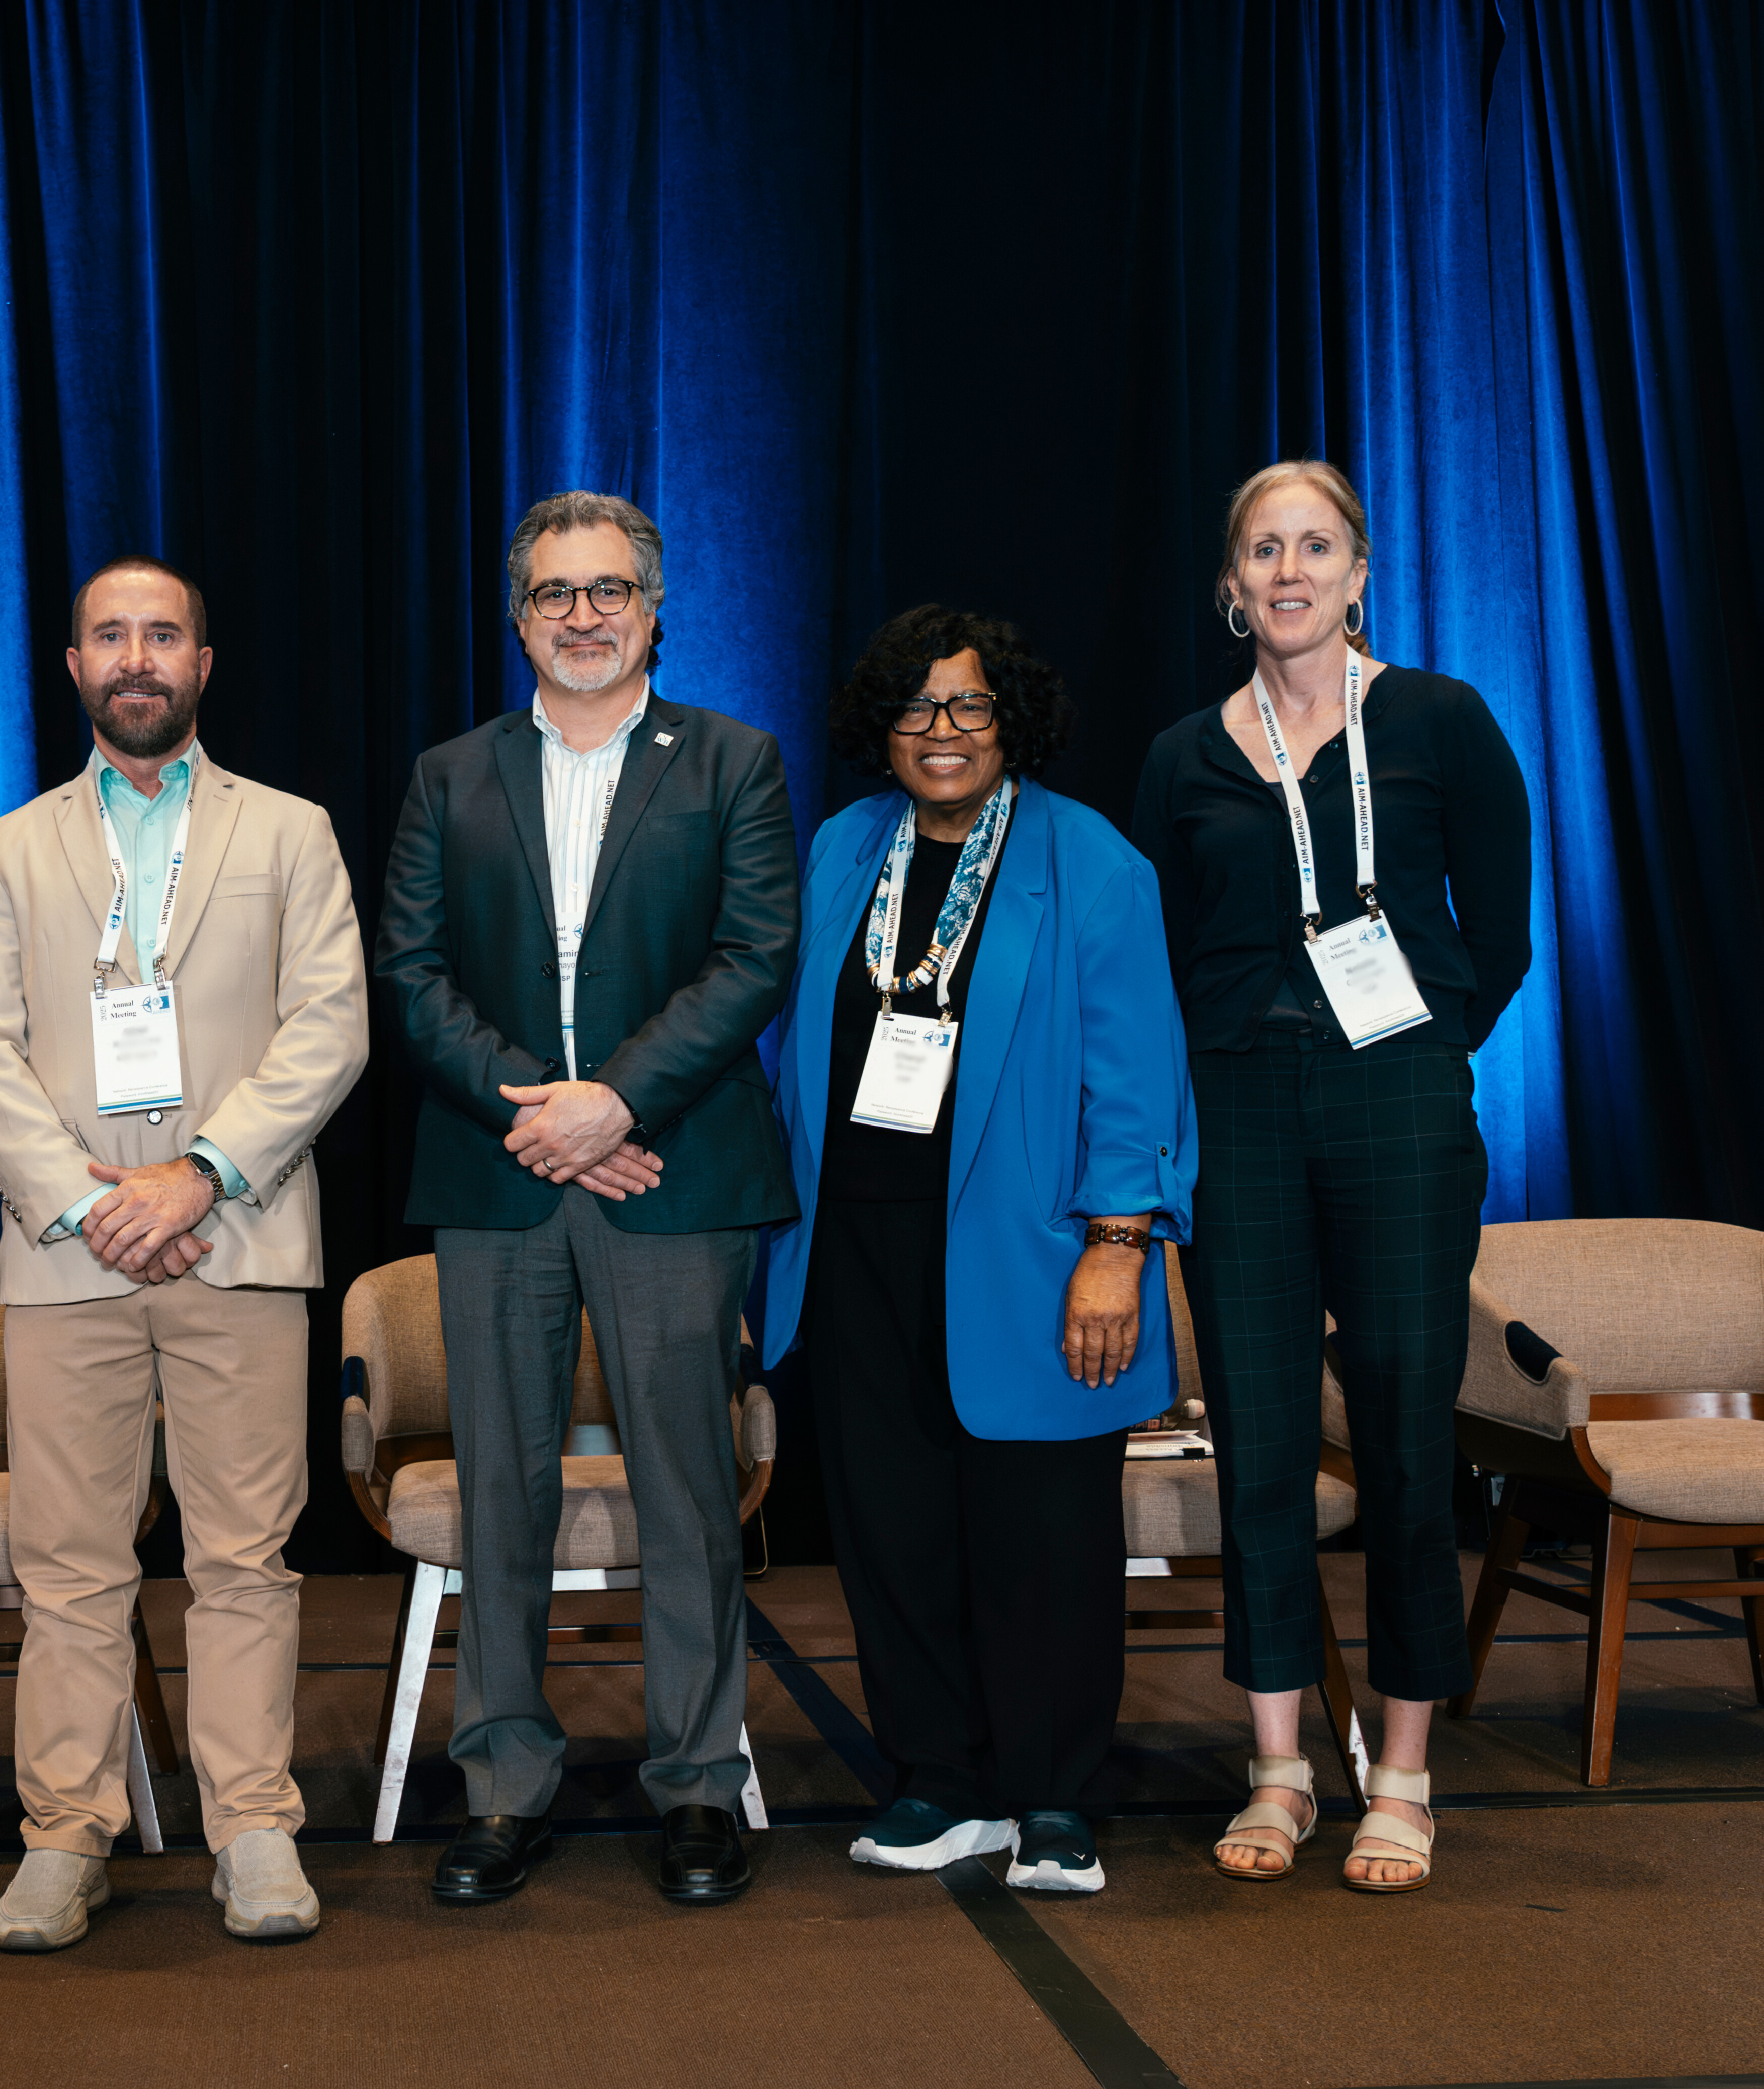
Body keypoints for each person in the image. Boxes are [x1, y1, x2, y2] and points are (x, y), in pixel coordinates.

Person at [376, 489, 798, 1907]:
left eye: (609, 588)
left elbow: (753, 958)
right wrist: (539, 1115)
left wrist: (615, 1103)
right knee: (503, 1495)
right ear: (518, 618)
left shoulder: (735, 761)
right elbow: (412, 973)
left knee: (688, 1494)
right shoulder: (450, 773)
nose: (583, 614)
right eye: (555, 592)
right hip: (500, 1184)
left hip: (674, 1172)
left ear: (655, 608)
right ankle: (502, 1784)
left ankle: (697, 1782)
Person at [0, 555, 366, 1951]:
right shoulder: (5, 848)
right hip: (69, 1261)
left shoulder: (291, 833)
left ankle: (253, 1828)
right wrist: (85, 1203)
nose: (137, 657)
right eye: (110, 635)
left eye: (162, 634)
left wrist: (197, 1180)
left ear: (203, 659)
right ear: (72, 666)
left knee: (245, 1556)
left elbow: (329, 1028)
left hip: (237, 1238)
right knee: (69, 1566)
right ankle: (65, 1835)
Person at [1134, 459, 1533, 1893]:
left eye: (1315, 546)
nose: (1288, 571)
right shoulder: (1186, 754)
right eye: (1262, 550)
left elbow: (1498, 934)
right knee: (1253, 1447)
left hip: (1395, 1105)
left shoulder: (1438, 720)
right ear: (1231, 586)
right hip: (1235, 1110)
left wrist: (1419, 1058)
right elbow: (1166, 957)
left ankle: (1406, 1773)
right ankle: (1280, 1767)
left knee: (1410, 1451)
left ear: (1360, 571)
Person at [764, 604, 1197, 1897]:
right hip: (855, 1249)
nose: (940, 733)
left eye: (968, 707)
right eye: (914, 709)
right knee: (893, 1531)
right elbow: (788, 1045)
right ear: (877, 730)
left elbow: (1136, 1077)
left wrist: (1119, 1246)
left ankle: (1052, 1796)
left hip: (1035, 1252)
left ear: (1012, 722)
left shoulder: (1091, 862)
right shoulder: (847, 848)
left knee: (1042, 1537)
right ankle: (936, 1779)